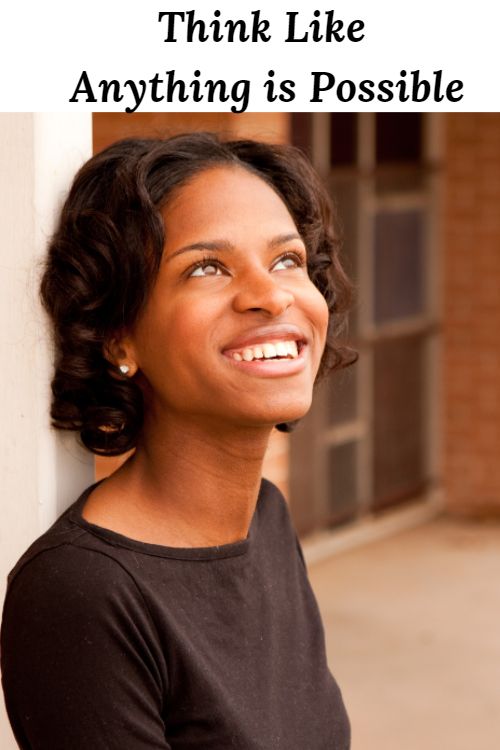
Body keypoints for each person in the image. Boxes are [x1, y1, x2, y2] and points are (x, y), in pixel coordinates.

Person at [1, 132, 357, 749]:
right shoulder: (83, 595)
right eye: (207, 267)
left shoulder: (265, 518)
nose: (272, 294)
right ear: (119, 338)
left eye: (287, 260)